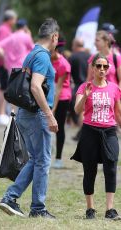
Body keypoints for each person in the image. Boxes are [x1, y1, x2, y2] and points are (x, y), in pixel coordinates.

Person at [0, 18, 59, 218]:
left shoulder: (31, 54)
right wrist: (49, 115)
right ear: (54, 37)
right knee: (43, 161)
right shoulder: (43, 56)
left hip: (26, 113)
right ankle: (37, 208)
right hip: (37, 114)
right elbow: (35, 86)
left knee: (36, 160)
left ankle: (11, 198)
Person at [71, 53, 121, 220]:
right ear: (92, 68)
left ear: (108, 69)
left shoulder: (114, 88)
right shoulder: (84, 87)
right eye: (98, 66)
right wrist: (85, 95)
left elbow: (118, 112)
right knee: (89, 170)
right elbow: (77, 110)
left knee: (111, 167)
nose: (101, 69)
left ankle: (110, 210)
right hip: (90, 131)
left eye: (105, 67)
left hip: (109, 131)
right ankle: (90, 209)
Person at [51, 37, 72, 168]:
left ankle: (58, 158)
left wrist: (53, 108)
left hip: (62, 97)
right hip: (47, 95)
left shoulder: (64, 64)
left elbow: (58, 88)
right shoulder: (47, 59)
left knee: (59, 127)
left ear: (56, 49)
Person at [0, 9, 17, 125]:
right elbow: (0, 47)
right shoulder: (4, 30)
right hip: (3, 63)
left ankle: (1, 113)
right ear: (10, 19)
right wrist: (5, 61)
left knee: (4, 88)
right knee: (4, 88)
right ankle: (1, 113)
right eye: (14, 19)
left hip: (4, 63)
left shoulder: (5, 29)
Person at [68, 38, 90, 140]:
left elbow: (68, 74)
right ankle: (82, 133)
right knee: (86, 111)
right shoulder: (90, 56)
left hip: (78, 87)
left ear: (76, 45)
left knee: (80, 111)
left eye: (73, 45)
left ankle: (82, 134)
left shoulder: (72, 57)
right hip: (90, 86)